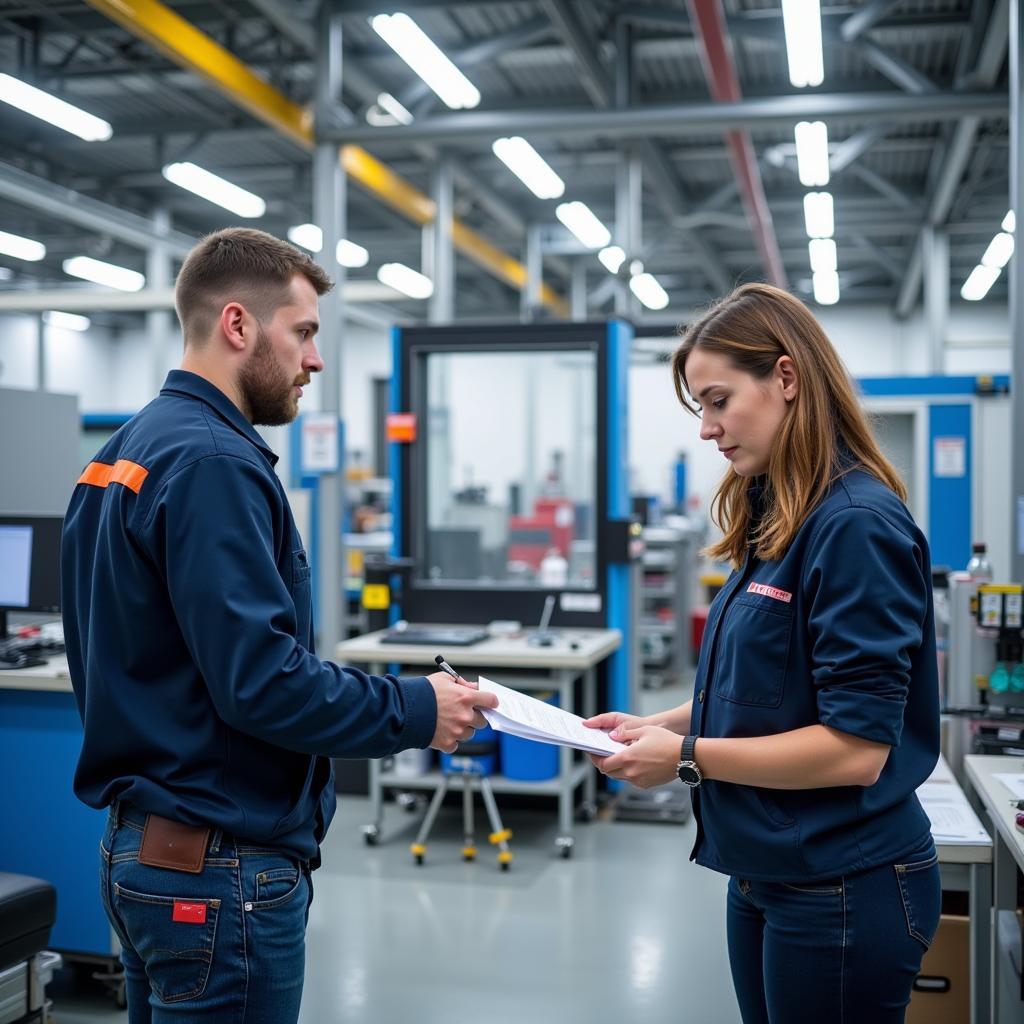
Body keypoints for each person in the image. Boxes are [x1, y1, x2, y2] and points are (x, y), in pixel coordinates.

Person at [60, 227, 498, 1023]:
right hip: (218, 871)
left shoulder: (122, 453)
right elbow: (261, 683)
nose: (315, 359)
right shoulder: (214, 463)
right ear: (237, 325)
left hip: (142, 858)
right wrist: (419, 709)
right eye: (303, 333)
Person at [586, 283, 940, 1023]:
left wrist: (685, 756)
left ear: (785, 378)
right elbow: (758, 687)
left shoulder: (855, 525)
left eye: (718, 401)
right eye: (700, 410)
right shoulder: (775, 509)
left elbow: (855, 749)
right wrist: (652, 725)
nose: (708, 429)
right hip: (764, 873)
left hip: (843, 883)